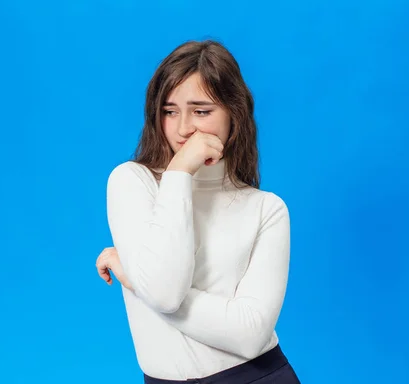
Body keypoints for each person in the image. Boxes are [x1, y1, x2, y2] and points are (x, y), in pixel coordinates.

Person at [95, 39, 300, 383]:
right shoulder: (131, 182)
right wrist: (179, 173)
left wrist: (133, 276)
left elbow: (250, 335)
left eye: (201, 111)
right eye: (169, 111)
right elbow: (164, 291)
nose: (183, 128)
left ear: (234, 115)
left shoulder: (267, 209)